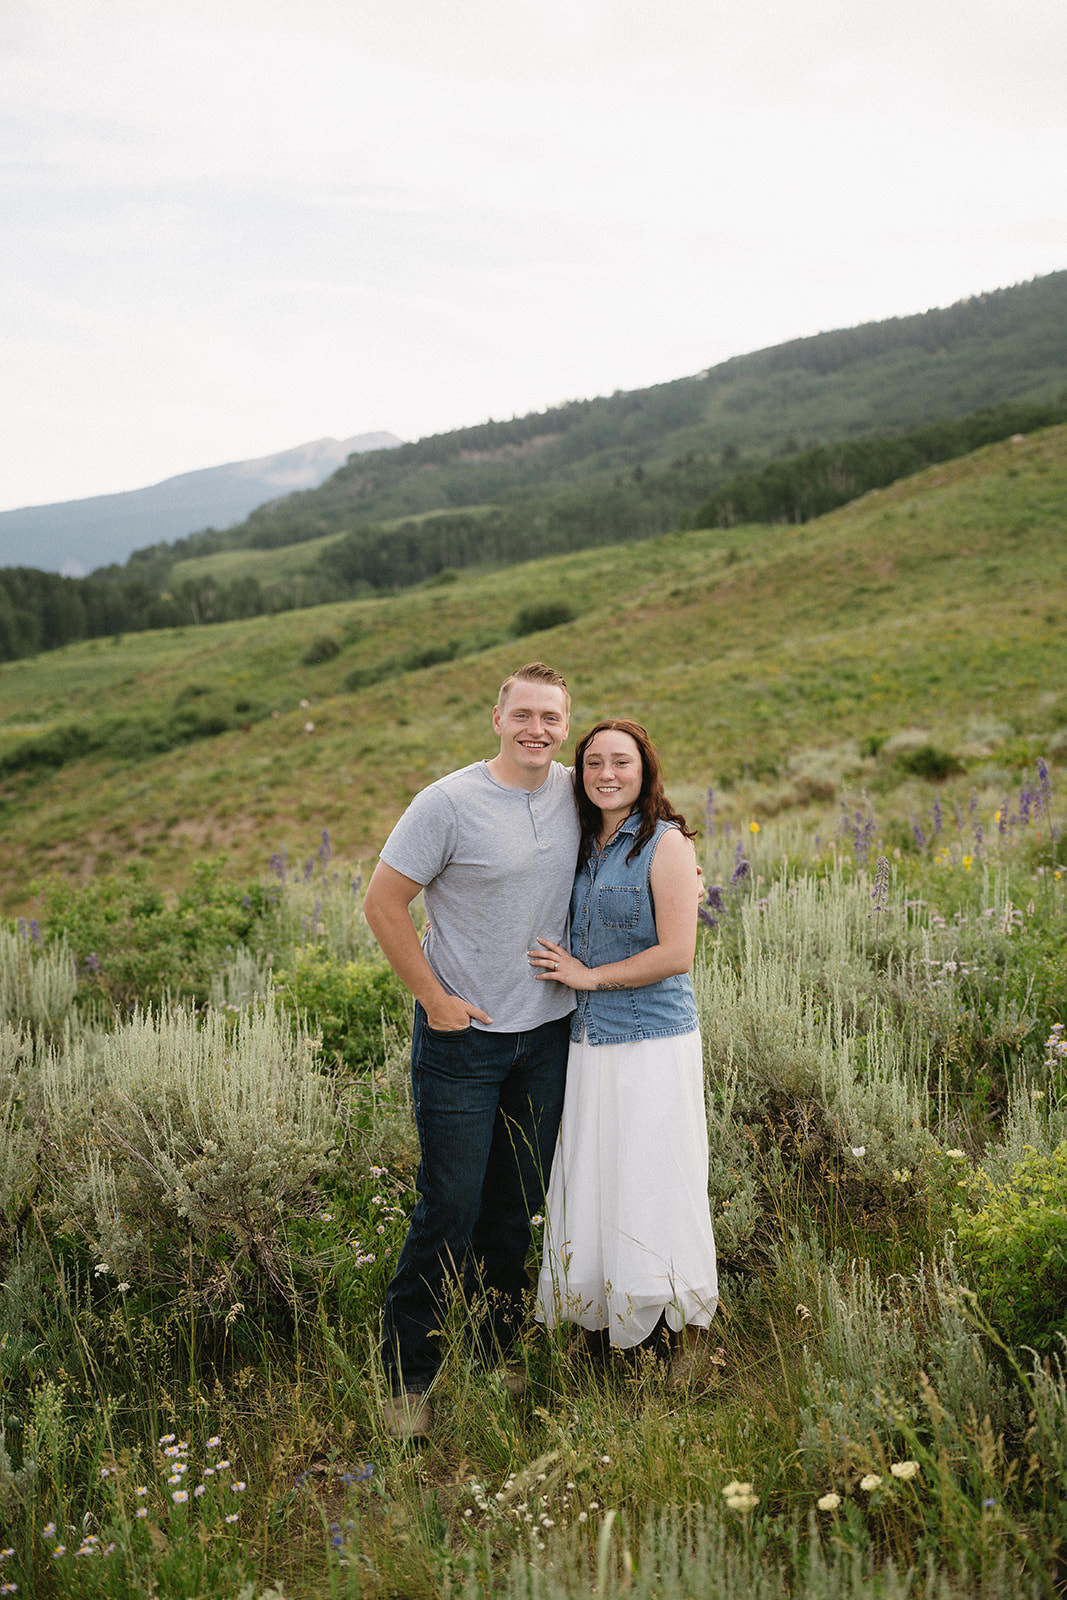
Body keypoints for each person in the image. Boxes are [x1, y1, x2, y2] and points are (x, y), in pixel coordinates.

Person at [362, 662, 579, 1439]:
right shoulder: (447, 803)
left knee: (512, 1209)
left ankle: (497, 1353)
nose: (536, 730)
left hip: (547, 1034)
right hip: (462, 1040)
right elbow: (382, 904)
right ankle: (406, 1382)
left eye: (550, 718)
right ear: (497, 718)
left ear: (566, 724)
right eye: (523, 715)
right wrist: (434, 1001)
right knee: (447, 1208)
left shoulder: (572, 790)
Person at [529, 718, 718, 1384]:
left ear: (644, 772)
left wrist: (590, 976)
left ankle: (687, 1329)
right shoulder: (582, 843)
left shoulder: (664, 845)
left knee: (657, 1179)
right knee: (597, 1177)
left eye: (622, 762)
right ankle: (607, 1316)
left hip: (651, 1041)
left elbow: (676, 953)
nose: (606, 774)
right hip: (588, 1043)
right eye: (593, 764)